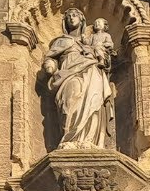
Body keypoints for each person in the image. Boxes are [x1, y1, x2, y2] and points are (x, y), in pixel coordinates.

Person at [42, 8, 114, 149]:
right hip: (68, 73)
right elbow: (51, 57)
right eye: (68, 16)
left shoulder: (89, 41)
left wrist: (102, 56)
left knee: (93, 101)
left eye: (75, 15)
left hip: (91, 70)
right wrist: (50, 65)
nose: (71, 18)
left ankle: (89, 139)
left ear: (81, 20)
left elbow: (106, 59)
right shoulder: (61, 41)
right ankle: (69, 139)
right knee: (70, 98)